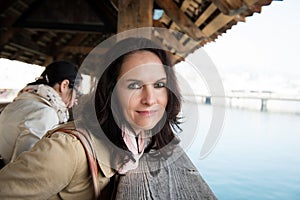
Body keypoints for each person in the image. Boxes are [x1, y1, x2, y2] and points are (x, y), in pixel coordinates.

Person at [0, 38, 182, 199]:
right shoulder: (68, 150)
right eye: (134, 85)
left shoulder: (139, 140)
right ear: (111, 92)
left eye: (159, 84)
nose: (150, 99)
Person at [0, 61, 82, 165]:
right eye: (77, 93)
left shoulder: (20, 101)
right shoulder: (45, 113)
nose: (76, 100)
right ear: (64, 85)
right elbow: (28, 165)